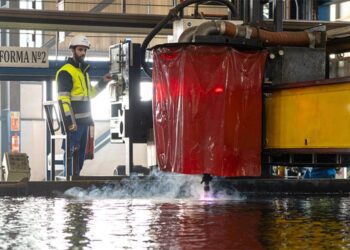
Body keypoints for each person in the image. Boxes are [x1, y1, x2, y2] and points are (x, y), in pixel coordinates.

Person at [56, 34, 112, 175]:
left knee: (80, 157)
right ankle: (68, 185)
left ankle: (74, 181)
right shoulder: (65, 72)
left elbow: (90, 94)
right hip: (74, 124)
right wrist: (70, 122)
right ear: (73, 50)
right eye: (80, 49)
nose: (83, 53)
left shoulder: (83, 73)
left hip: (84, 122)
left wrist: (103, 82)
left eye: (85, 50)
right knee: (71, 155)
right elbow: (64, 100)